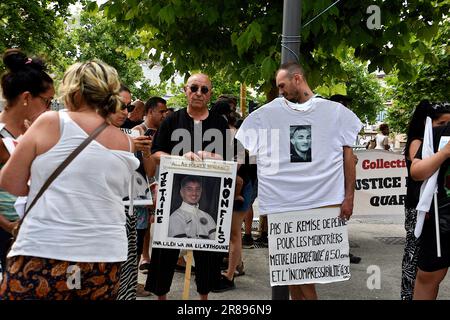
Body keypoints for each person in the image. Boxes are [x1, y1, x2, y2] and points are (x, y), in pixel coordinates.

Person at [0, 60, 139, 300]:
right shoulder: (126, 142)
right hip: (105, 257)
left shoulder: (51, 121)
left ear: (73, 89)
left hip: (45, 248)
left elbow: (11, 183)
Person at [235, 62, 361, 300]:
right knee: (290, 270)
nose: (280, 91)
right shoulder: (266, 115)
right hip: (284, 205)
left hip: (323, 204)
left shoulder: (335, 112)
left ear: (297, 78)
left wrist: (349, 197)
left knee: (306, 269)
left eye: (282, 85)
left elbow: (348, 158)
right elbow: (243, 151)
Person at [145, 73, 228, 300]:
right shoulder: (172, 120)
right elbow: (156, 153)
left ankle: (204, 299)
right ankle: (161, 296)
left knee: (207, 250)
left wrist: (211, 155)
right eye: (194, 88)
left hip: (209, 196)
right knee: (165, 247)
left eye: (204, 90)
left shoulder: (219, 123)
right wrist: (180, 158)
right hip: (173, 194)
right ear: (185, 90)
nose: (198, 93)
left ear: (210, 94)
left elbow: (233, 159)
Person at [0, 49, 54, 274]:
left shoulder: (30, 132)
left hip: (27, 230)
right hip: (8, 233)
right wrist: (9, 226)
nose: (49, 108)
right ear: (26, 98)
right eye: (47, 101)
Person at [401, 100, 450, 300]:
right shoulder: (428, 140)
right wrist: (444, 153)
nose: (446, 128)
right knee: (425, 273)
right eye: (442, 124)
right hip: (436, 217)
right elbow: (417, 171)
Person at [133, 96, 167, 275]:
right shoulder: (137, 132)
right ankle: (144, 257)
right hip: (141, 189)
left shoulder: (164, 130)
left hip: (161, 182)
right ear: (150, 111)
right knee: (142, 228)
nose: (164, 115)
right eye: (161, 111)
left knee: (157, 223)